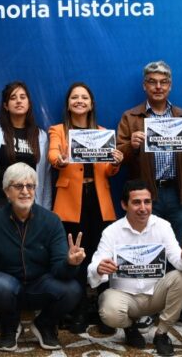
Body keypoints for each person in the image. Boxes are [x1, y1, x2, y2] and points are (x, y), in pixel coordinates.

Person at [115, 60, 182, 330]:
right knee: (144, 253)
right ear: (144, 85)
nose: (158, 86)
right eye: (152, 82)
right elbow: (117, 155)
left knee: (180, 250)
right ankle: (144, 309)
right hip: (146, 197)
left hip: (177, 193)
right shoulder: (130, 117)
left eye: (163, 82)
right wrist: (130, 146)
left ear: (170, 85)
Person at [0, 163, 84, 352]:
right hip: (8, 287)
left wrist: (70, 263)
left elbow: (59, 270)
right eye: (18, 186)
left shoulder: (51, 221)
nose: (25, 191)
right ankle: (10, 327)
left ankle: (44, 325)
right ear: (7, 191)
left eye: (30, 186)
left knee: (72, 289)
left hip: (41, 286)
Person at [88, 180, 182, 356]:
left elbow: (178, 261)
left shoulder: (163, 226)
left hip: (156, 294)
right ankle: (130, 328)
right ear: (124, 205)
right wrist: (100, 268)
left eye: (147, 202)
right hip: (126, 297)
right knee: (109, 311)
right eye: (136, 202)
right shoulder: (111, 231)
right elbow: (94, 265)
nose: (143, 208)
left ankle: (161, 334)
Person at [49, 82, 123, 332]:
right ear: (68, 104)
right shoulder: (58, 130)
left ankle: (104, 310)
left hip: (99, 200)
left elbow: (108, 170)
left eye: (84, 97)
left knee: (101, 254)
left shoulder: (103, 132)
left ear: (91, 104)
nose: (79, 101)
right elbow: (53, 156)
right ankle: (78, 309)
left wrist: (116, 162)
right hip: (70, 201)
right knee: (77, 255)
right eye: (74, 97)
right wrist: (60, 160)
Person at [0, 81, 52, 221]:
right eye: (13, 98)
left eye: (22, 97)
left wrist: (45, 210)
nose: (18, 101)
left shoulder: (40, 136)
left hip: (28, 203)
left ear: (29, 103)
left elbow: (45, 177)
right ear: (6, 105)